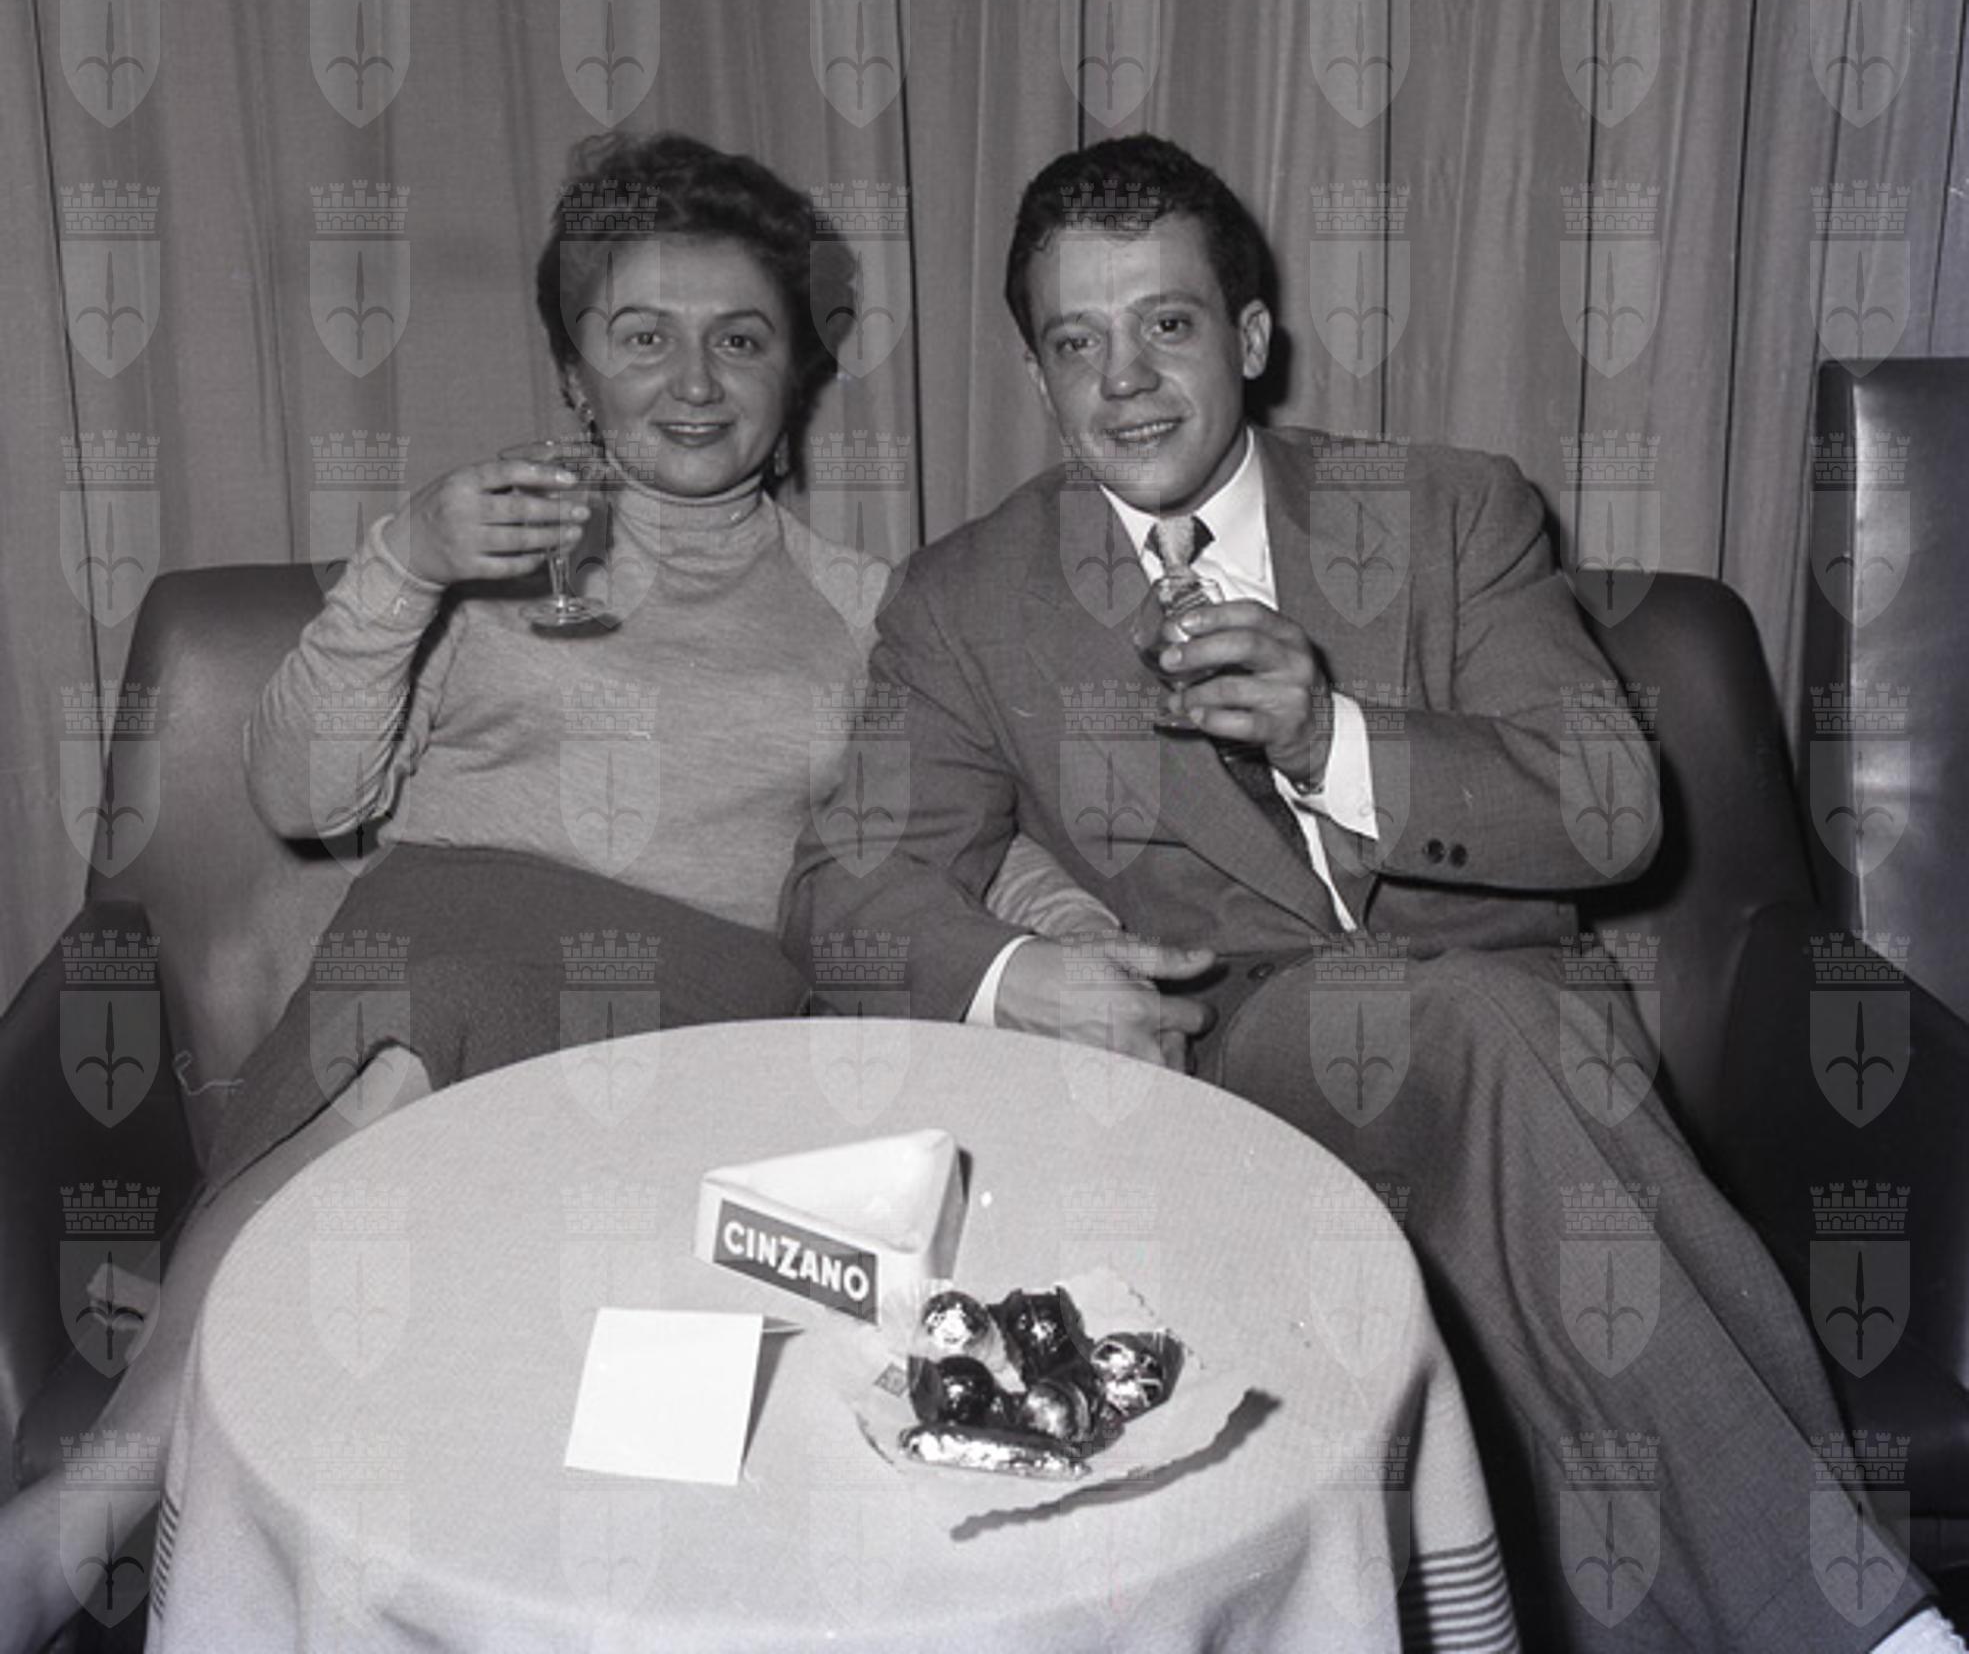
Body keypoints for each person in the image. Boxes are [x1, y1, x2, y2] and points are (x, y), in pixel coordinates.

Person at [783, 135, 1954, 1652]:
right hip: (1258, 1075)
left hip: (1533, 1071)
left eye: (1165, 324)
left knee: (1499, 1096)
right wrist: (1021, 977)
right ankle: (1868, 1628)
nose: (1123, 381)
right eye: (1076, 343)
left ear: (1250, 337)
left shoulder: (1448, 512)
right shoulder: (966, 600)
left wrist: (1328, 735)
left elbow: (1609, 810)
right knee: (1481, 1040)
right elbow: (844, 887)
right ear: (1037, 374)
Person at [0, 131, 1090, 1653]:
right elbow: (301, 797)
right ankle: (149, 1476)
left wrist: (1070, 935)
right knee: (428, 979)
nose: (692, 380)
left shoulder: (868, 615)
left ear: (797, 367)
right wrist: (405, 561)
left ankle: (122, 1483)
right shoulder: (476, 557)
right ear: (575, 372)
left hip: (683, 1053)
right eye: (640, 337)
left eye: (740, 338)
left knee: (427, 1019)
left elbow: (953, 842)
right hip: (419, 1001)